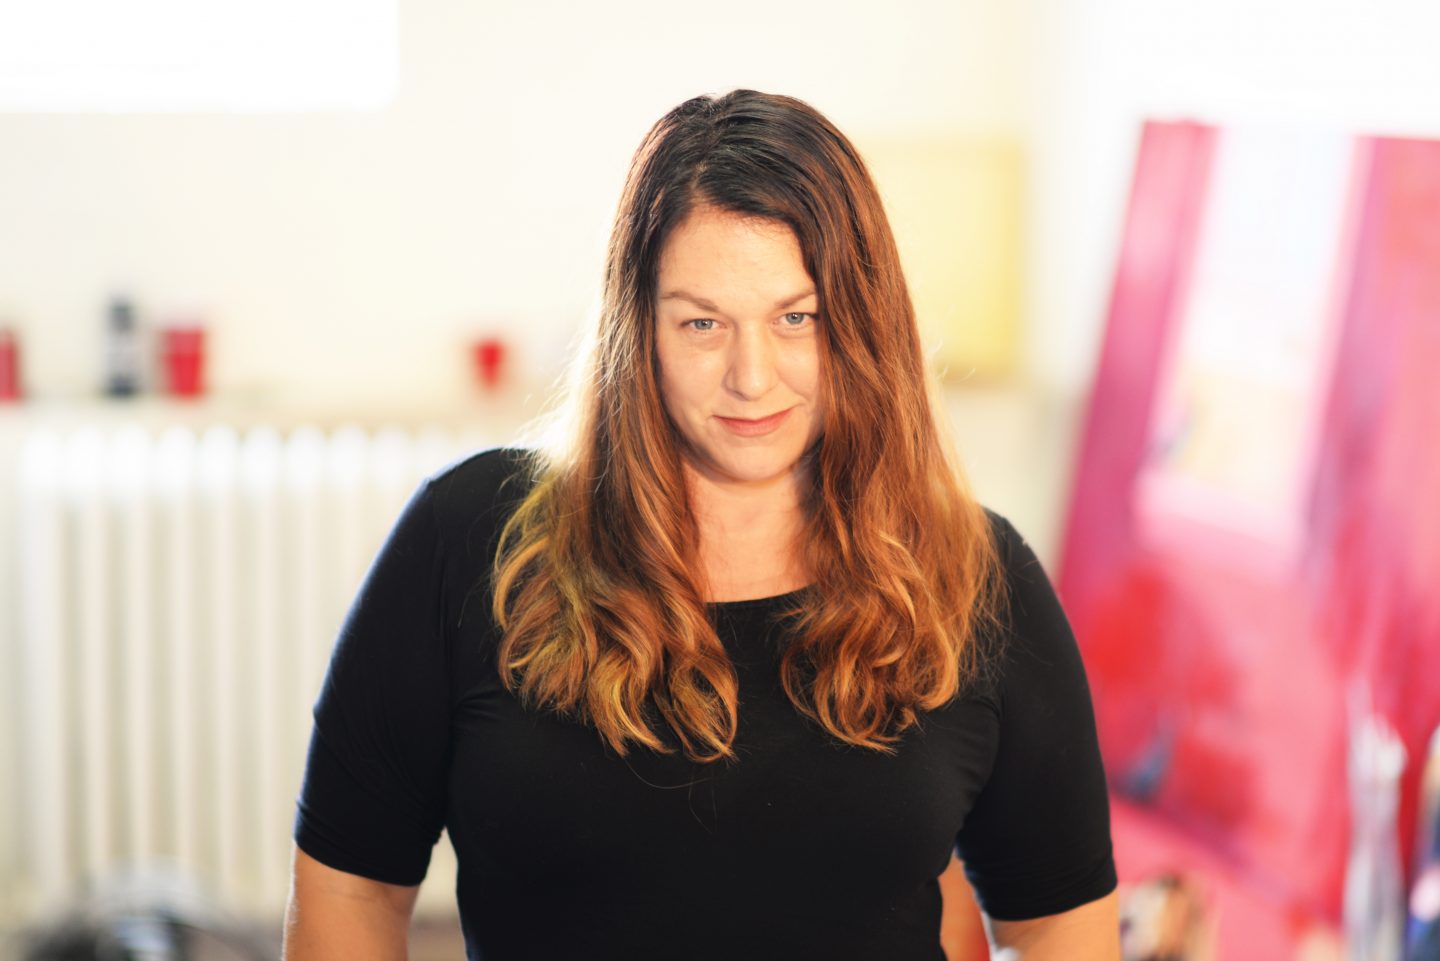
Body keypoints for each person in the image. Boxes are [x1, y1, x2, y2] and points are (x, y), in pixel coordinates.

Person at [282, 89, 1120, 961]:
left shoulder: (974, 573)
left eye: (797, 318)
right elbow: (352, 883)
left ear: (862, 323)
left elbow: (1059, 918)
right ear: (637, 330)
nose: (751, 377)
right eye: (703, 323)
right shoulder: (468, 544)